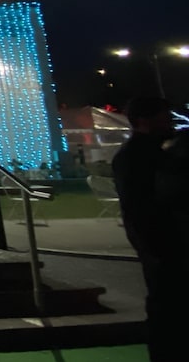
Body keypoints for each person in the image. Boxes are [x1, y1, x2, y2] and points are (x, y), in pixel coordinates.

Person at [113, 96, 182, 361]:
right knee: (167, 305)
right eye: (163, 118)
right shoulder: (137, 156)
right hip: (162, 242)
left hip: (162, 240)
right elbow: (139, 205)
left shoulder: (157, 152)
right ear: (144, 121)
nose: (169, 123)